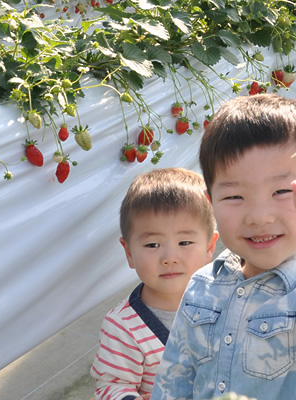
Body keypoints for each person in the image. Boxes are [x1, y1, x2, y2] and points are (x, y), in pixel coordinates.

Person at [151, 94, 296, 400]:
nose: (259, 217)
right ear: (211, 204)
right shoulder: (201, 287)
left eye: (281, 191)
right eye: (235, 197)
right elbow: (174, 382)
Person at [90, 168, 220, 400]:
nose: (170, 257)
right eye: (152, 245)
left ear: (210, 246)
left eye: (185, 242)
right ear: (129, 252)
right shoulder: (123, 327)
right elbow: (112, 387)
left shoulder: (228, 298)